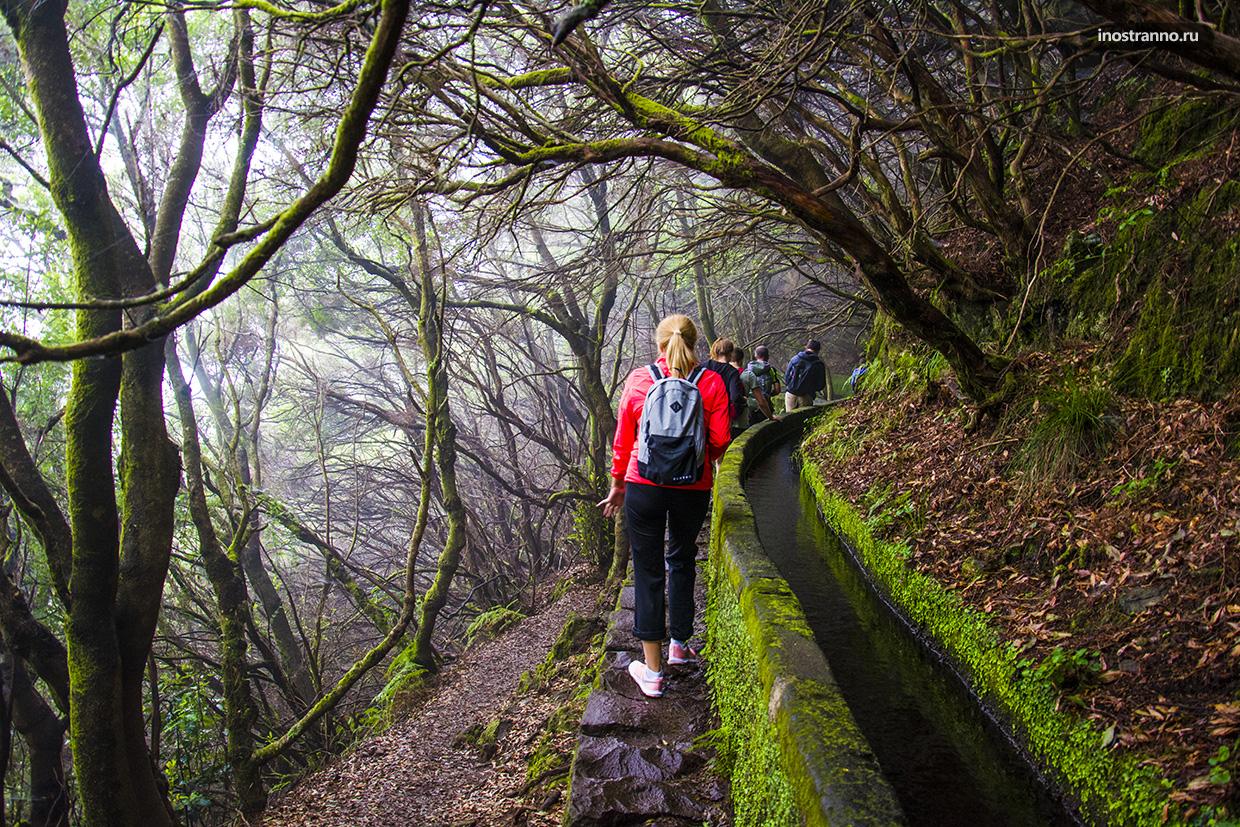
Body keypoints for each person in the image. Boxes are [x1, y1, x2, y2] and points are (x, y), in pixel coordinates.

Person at [598, 314, 732, 699]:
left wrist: (617, 484)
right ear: (696, 344)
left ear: (659, 346)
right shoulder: (712, 383)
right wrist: (699, 459)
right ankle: (680, 644)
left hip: (644, 484)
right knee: (682, 557)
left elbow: (623, 439)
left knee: (648, 569)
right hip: (693, 485)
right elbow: (721, 439)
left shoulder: (640, 380)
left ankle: (653, 672)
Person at [703, 338, 746, 437]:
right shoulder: (732, 372)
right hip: (721, 415)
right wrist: (743, 400)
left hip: (703, 411)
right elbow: (735, 397)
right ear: (730, 353)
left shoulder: (703, 366)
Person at [741, 345, 781, 425]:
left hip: (750, 407)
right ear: (767, 356)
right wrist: (768, 394)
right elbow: (777, 390)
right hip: (766, 406)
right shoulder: (771, 370)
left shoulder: (748, 370)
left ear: (755, 355)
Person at [784, 338, 828, 411]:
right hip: (806, 396)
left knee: (788, 419)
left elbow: (786, 378)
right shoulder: (818, 364)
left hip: (790, 394)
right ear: (818, 350)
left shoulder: (794, 359)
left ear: (806, 347)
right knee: (803, 420)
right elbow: (820, 385)